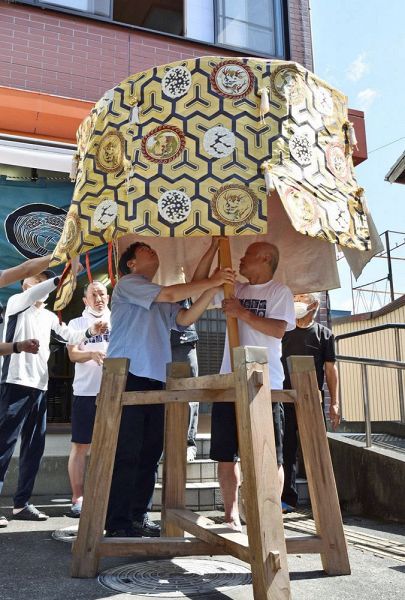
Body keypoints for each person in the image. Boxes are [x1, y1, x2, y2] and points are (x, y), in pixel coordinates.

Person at [105, 241, 235, 538]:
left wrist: (213, 277)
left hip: (155, 378)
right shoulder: (128, 284)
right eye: (143, 250)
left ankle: (138, 515)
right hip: (128, 375)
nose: (151, 250)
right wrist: (213, 280)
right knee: (128, 451)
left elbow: (185, 317)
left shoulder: (157, 295)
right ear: (131, 264)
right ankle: (118, 522)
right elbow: (174, 292)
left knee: (151, 451)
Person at [193, 239, 295, 531]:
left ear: (264, 258)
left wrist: (243, 313)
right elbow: (198, 284)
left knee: (269, 454)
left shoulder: (279, 291)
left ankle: (268, 515)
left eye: (247, 255)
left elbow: (278, 329)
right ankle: (230, 514)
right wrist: (213, 247)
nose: (240, 259)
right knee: (226, 453)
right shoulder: (234, 288)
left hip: (265, 382)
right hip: (230, 378)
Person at [0, 272, 108, 527]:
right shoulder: (17, 302)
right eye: (35, 280)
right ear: (24, 284)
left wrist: (91, 330)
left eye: (43, 280)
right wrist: (62, 276)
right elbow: (34, 293)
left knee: (34, 448)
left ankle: (21, 504)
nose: (39, 284)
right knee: (4, 446)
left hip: (39, 385)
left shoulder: (49, 316)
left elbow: (71, 337)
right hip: (14, 382)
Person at [281, 292, 340, 511]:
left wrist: (334, 402)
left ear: (314, 305)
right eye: (295, 297)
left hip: (312, 401)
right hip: (284, 399)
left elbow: (331, 369)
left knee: (317, 448)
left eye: (302, 298)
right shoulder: (283, 331)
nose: (296, 301)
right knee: (287, 450)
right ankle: (288, 498)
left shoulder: (324, 335)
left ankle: (324, 504)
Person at [67, 281, 110, 518]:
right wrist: (91, 354)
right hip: (85, 391)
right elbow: (73, 354)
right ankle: (78, 497)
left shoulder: (119, 319)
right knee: (81, 445)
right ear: (85, 300)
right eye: (93, 294)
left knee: (115, 445)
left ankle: (108, 494)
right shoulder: (77, 323)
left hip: (114, 392)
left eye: (102, 293)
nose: (98, 298)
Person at [170, 300, 200, 463]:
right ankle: (163, 443)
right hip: (157, 337)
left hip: (185, 339)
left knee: (189, 393)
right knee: (159, 393)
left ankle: (188, 443)